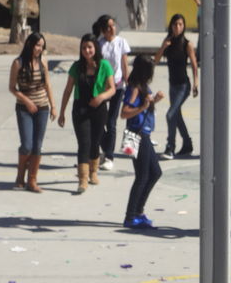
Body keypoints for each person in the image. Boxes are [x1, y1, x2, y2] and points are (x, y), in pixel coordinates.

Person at [58, 34, 115, 194]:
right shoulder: (76, 67)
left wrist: (101, 97)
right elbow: (68, 90)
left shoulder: (105, 65)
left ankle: (93, 172)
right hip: (80, 109)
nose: (87, 50)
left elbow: (112, 88)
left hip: (99, 109)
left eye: (89, 47)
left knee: (95, 143)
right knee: (84, 144)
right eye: (84, 48)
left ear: (95, 48)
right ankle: (83, 180)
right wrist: (62, 112)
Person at [8, 32, 56, 193]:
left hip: (42, 107)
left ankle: (32, 180)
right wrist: (27, 101)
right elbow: (11, 88)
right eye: (37, 45)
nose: (39, 49)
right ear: (29, 45)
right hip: (24, 108)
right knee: (27, 145)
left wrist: (53, 106)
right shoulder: (18, 63)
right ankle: (20, 175)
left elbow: (48, 84)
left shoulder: (43, 61)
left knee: (38, 146)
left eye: (42, 46)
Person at [121, 55, 165, 229]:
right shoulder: (134, 88)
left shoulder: (143, 87)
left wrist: (154, 101)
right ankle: (131, 215)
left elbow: (145, 105)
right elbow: (124, 112)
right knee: (143, 176)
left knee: (154, 173)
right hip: (135, 135)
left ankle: (138, 211)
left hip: (140, 134)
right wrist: (142, 107)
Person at [154, 14, 199, 160]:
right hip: (172, 85)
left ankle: (170, 147)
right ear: (171, 26)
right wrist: (163, 47)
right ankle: (187, 144)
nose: (177, 27)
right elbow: (155, 61)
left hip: (183, 86)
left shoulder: (187, 44)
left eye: (180, 24)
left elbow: (193, 64)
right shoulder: (168, 42)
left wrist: (195, 82)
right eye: (175, 24)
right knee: (177, 116)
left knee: (170, 114)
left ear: (184, 26)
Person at [92, 15, 130, 171]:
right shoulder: (98, 44)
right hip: (102, 88)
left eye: (113, 25)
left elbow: (124, 65)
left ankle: (109, 156)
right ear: (102, 30)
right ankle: (106, 149)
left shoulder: (121, 42)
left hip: (118, 86)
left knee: (111, 122)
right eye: (108, 27)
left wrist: (129, 84)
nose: (112, 28)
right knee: (99, 122)